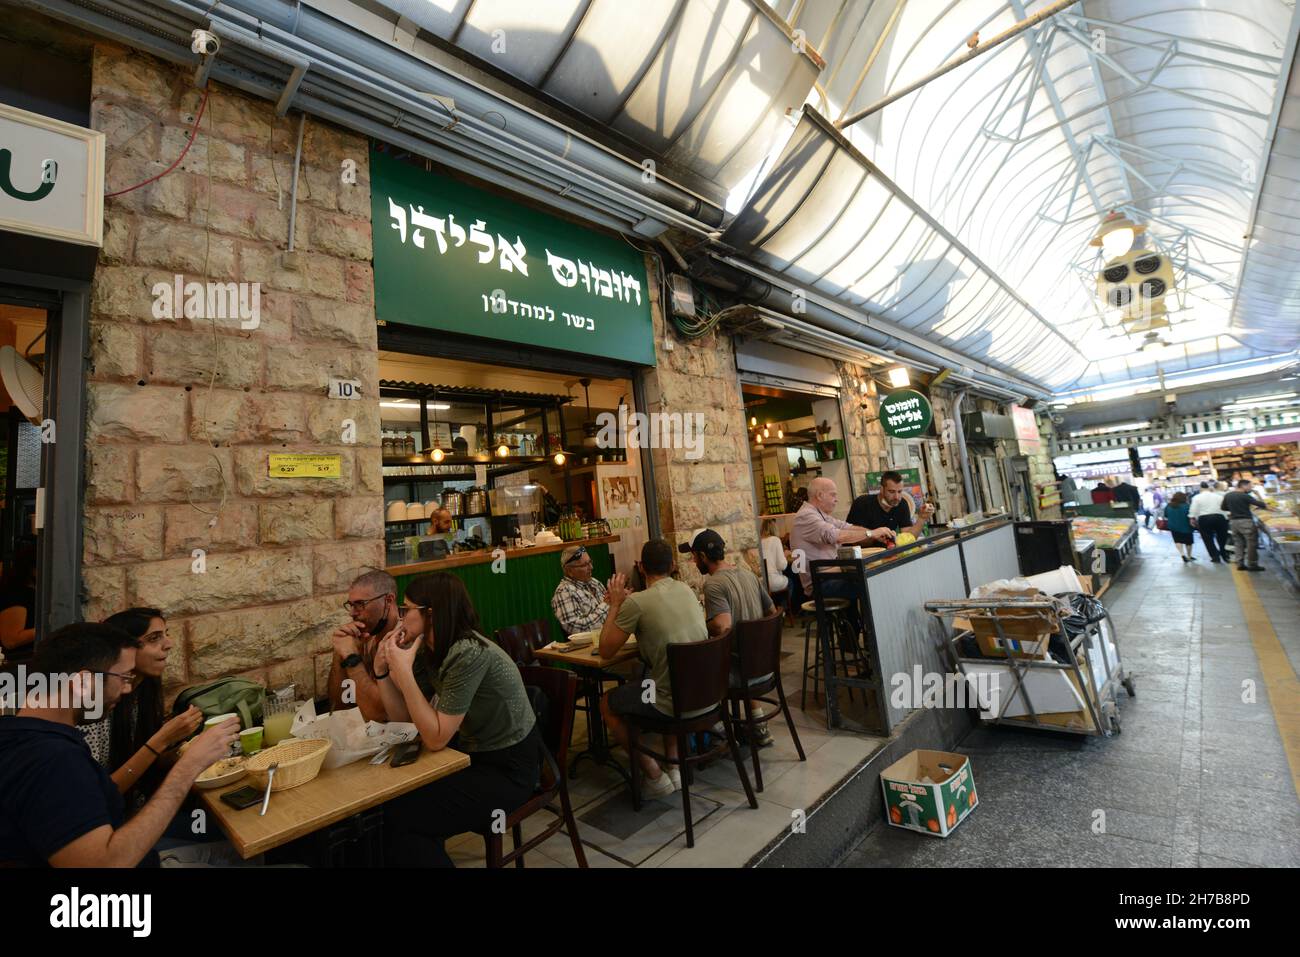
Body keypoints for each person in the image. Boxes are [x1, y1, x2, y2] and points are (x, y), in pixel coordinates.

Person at [0, 623, 238, 866]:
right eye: (123, 677)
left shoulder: (21, 733)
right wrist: (189, 766)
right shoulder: (54, 760)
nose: (126, 688)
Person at [376, 573, 542, 867]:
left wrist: (402, 672)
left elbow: (436, 738)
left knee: (400, 818)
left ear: (432, 614)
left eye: (407, 609)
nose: (400, 619)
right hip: (475, 756)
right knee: (394, 810)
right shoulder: (433, 649)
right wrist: (383, 672)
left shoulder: (467, 652)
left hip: (509, 769)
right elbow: (405, 721)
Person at [598, 539, 708, 800]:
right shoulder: (685, 589)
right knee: (660, 677)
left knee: (607, 703)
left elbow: (605, 651)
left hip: (674, 703)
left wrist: (615, 605)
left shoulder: (637, 602)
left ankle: (653, 773)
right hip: (707, 693)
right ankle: (674, 764)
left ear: (641, 568)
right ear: (672, 566)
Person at [77, 608, 203, 814]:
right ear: (124, 649)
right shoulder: (95, 707)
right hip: (114, 826)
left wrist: (185, 752)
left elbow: (141, 766)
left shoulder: (142, 692)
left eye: (166, 634)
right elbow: (98, 796)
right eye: (154, 638)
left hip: (142, 807)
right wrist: (161, 739)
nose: (169, 644)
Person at [681, 529, 776, 747]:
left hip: (741, 673)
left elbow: (723, 625)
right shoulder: (748, 574)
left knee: (693, 672)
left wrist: (702, 624)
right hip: (764, 667)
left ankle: (719, 731)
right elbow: (772, 612)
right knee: (740, 655)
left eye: (694, 556)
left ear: (703, 557)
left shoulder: (714, 584)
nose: (693, 561)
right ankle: (759, 724)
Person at [329, 569, 434, 720]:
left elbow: (380, 715)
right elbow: (339, 705)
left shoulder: (404, 640)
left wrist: (352, 659)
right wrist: (339, 655)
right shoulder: (364, 635)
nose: (352, 613)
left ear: (388, 601)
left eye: (360, 604)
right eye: (351, 605)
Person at [790, 477, 893, 602]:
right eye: (833, 494)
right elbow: (836, 536)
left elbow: (846, 527)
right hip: (820, 583)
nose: (836, 499)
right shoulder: (806, 516)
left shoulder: (820, 514)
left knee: (873, 578)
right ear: (820, 495)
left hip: (832, 575)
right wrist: (871, 533)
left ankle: (861, 620)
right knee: (872, 584)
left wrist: (877, 534)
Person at [846, 470, 933, 537]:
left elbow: (907, 537)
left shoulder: (902, 504)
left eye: (899, 491)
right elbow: (849, 535)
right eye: (891, 492)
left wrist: (922, 518)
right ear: (881, 489)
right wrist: (875, 535)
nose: (897, 497)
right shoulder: (862, 503)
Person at [551, 544, 611, 635]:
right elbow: (577, 630)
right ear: (569, 571)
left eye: (590, 562)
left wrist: (620, 600)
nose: (591, 567)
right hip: (588, 647)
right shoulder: (564, 592)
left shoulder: (594, 583)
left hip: (607, 638)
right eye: (584, 565)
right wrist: (607, 604)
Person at [0, 543, 37, 662]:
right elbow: (10, 640)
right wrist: (47, 629)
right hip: (18, 664)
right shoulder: (17, 595)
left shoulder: (32, 592)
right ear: (31, 568)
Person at [1222, 479, 1269, 571]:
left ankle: (1240, 563)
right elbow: (1261, 504)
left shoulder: (1228, 495)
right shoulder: (1244, 496)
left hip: (1234, 523)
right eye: (1250, 486)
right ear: (1243, 486)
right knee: (1251, 543)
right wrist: (1258, 494)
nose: (1251, 488)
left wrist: (1234, 509)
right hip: (1246, 522)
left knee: (1238, 543)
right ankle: (1252, 564)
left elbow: (1223, 507)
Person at [1189, 482, 1230, 564]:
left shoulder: (1196, 497)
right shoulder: (1218, 497)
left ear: (1200, 488)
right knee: (1222, 537)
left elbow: (1194, 509)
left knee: (1207, 539)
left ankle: (1215, 557)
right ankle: (1224, 555)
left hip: (1204, 518)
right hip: (1219, 517)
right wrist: (1226, 517)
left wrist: (1192, 518)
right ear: (1209, 488)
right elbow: (1224, 508)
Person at [759, 519, 791, 597]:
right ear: (775, 529)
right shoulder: (775, 540)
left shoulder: (759, 542)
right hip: (773, 581)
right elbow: (782, 566)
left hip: (760, 583)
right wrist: (785, 555)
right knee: (791, 581)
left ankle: (777, 606)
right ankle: (784, 607)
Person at [1164, 492, 1196, 562]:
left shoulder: (1169, 506)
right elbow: (1191, 516)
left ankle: (1182, 554)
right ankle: (1189, 556)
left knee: (1177, 540)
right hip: (1186, 527)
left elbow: (1166, 515)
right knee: (1188, 542)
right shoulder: (1187, 506)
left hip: (1173, 527)